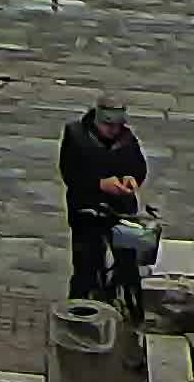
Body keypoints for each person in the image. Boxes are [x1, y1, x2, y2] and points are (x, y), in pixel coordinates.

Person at [58, 94, 147, 302]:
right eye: (109, 126)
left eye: (117, 126)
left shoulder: (127, 139)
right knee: (86, 266)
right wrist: (99, 184)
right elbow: (70, 172)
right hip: (87, 208)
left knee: (127, 264)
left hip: (121, 208)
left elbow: (138, 166)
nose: (113, 131)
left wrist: (131, 179)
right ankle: (79, 308)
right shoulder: (76, 135)